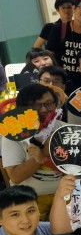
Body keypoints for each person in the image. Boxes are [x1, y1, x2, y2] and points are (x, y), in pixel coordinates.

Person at [1, 84, 64, 215]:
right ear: (22, 108)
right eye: (36, 105)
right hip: (29, 200)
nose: (44, 109)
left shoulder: (64, 129)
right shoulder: (12, 134)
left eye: (49, 103)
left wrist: (44, 157)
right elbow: (15, 177)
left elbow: (77, 168)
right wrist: (43, 153)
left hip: (65, 195)